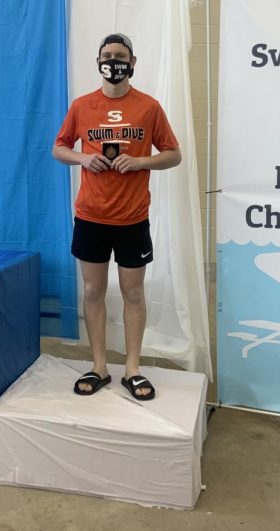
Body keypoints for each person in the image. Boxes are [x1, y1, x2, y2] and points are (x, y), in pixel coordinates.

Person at [52, 33, 182, 400]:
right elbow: (58, 147)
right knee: (93, 291)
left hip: (132, 219)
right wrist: (82, 157)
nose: (114, 61)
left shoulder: (149, 107)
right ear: (98, 62)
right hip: (91, 216)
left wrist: (141, 161)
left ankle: (133, 369)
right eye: (108, 55)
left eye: (121, 56)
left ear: (133, 62)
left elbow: (173, 154)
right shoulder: (81, 106)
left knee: (132, 292)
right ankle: (98, 367)